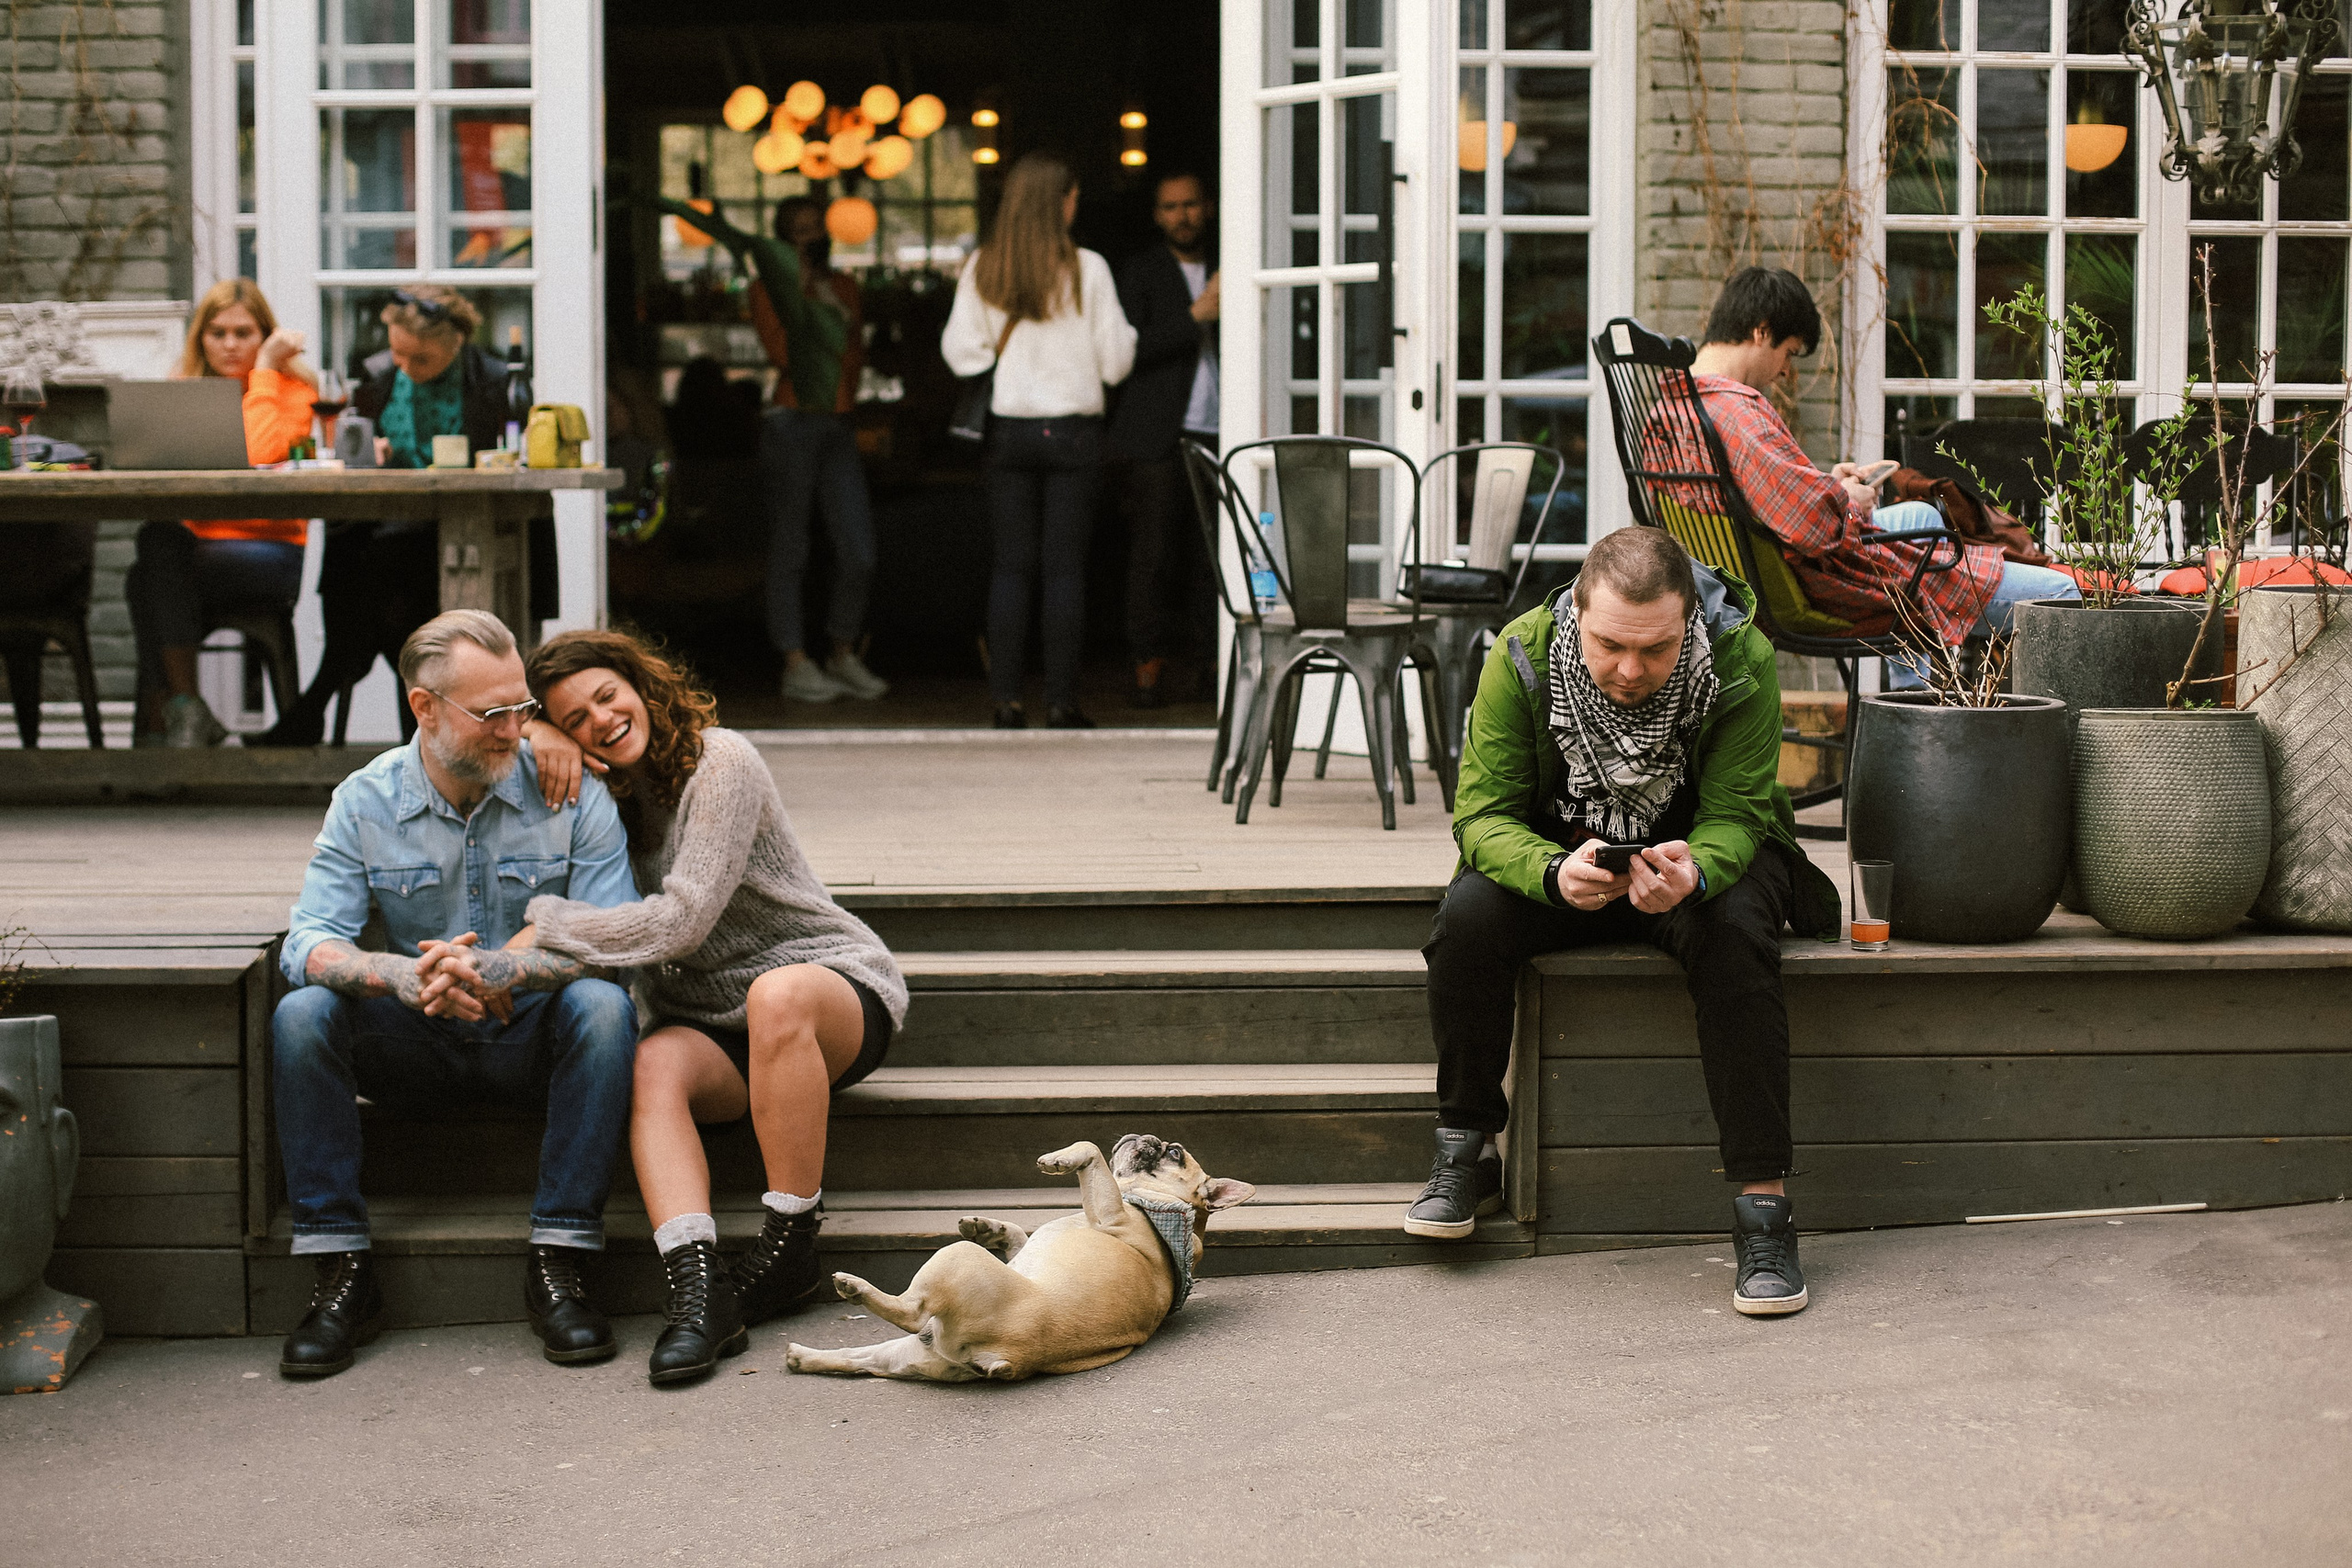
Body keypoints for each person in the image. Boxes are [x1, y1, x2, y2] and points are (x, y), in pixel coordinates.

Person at [1408, 526, 1841, 1317]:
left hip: (1693, 868)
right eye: (1611, 645)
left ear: (1691, 625)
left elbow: (1741, 815)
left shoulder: (1741, 658)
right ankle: (1465, 1150)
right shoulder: (1522, 655)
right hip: (1568, 866)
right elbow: (1480, 816)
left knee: (1739, 933)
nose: (1631, 669)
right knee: (1468, 913)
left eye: (1657, 648)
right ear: (1577, 612)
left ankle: (1764, 1212)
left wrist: (1699, 870)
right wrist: (1548, 870)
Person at [516, 627, 907, 1385]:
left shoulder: (720, 760)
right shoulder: (603, 802)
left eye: (608, 695)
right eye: (574, 718)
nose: (600, 718)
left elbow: (682, 920)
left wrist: (553, 921)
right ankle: (699, 1290)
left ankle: (790, 1242)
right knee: (651, 1061)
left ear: (641, 685)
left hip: (826, 992)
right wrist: (528, 726)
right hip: (710, 1021)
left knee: (777, 992)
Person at [270, 609, 640, 1379]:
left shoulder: (570, 791)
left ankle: (561, 1261)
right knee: (302, 1014)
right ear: (424, 707)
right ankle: (342, 1269)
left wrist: (505, 969)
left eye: (523, 709)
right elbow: (309, 940)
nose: (513, 730)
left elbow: (610, 931)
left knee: (605, 1009)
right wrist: (400, 975)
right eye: (492, 713)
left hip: (531, 1041)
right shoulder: (364, 801)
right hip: (413, 1039)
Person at [1684, 266, 2078, 683]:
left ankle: (1911, 703)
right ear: (1762, 332)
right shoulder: (1738, 414)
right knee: (2060, 596)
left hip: (1776, 574)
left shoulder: (1678, 405)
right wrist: (1848, 499)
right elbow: (1813, 527)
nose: (1785, 371)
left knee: (1922, 517)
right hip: (1828, 587)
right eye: (1790, 353)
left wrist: (1829, 485)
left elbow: (1764, 500)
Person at [259, 285, 556, 747]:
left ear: (457, 341)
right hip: (382, 532)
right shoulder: (378, 377)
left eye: (420, 359)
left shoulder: (495, 380)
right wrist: (365, 451)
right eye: (399, 354)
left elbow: (512, 455)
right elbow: (352, 444)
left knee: (383, 591)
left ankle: (319, 703)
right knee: (384, 589)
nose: (406, 368)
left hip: (457, 531)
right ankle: (410, 738)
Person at [653, 193, 888, 706]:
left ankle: (843, 652)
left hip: (838, 422)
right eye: (798, 231)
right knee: (791, 546)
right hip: (791, 423)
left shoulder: (846, 286)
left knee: (859, 550)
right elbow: (786, 354)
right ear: (783, 241)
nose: (810, 239)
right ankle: (795, 663)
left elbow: (852, 357)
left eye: (815, 229)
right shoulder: (766, 289)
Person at [942, 151, 1138, 728]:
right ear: (1060, 203)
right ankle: (1061, 701)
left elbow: (960, 353)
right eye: (1074, 197)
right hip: (1074, 434)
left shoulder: (985, 267)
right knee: (1065, 570)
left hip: (1010, 432)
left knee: (1010, 567)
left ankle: (1006, 701)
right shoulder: (1089, 269)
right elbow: (1116, 362)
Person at [125, 278, 319, 747]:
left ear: (265, 336)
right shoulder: (185, 392)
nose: (230, 345)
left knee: (148, 573)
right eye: (217, 333)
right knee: (155, 551)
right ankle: (187, 708)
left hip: (268, 552)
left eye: (244, 333)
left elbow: (262, 452)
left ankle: (167, 718)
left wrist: (266, 372)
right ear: (200, 338)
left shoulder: (293, 392)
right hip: (195, 550)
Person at [1107, 171, 1222, 709]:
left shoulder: (1235, 259)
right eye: (1171, 207)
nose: (1183, 215)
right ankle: (1146, 668)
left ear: (1210, 206)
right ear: (1157, 215)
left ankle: (1211, 668)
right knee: (1152, 558)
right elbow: (1126, 353)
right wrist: (1197, 315)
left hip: (1224, 430)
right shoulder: (1140, 272)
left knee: (1214, 560)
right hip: (1156, 435)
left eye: (1191, 204)